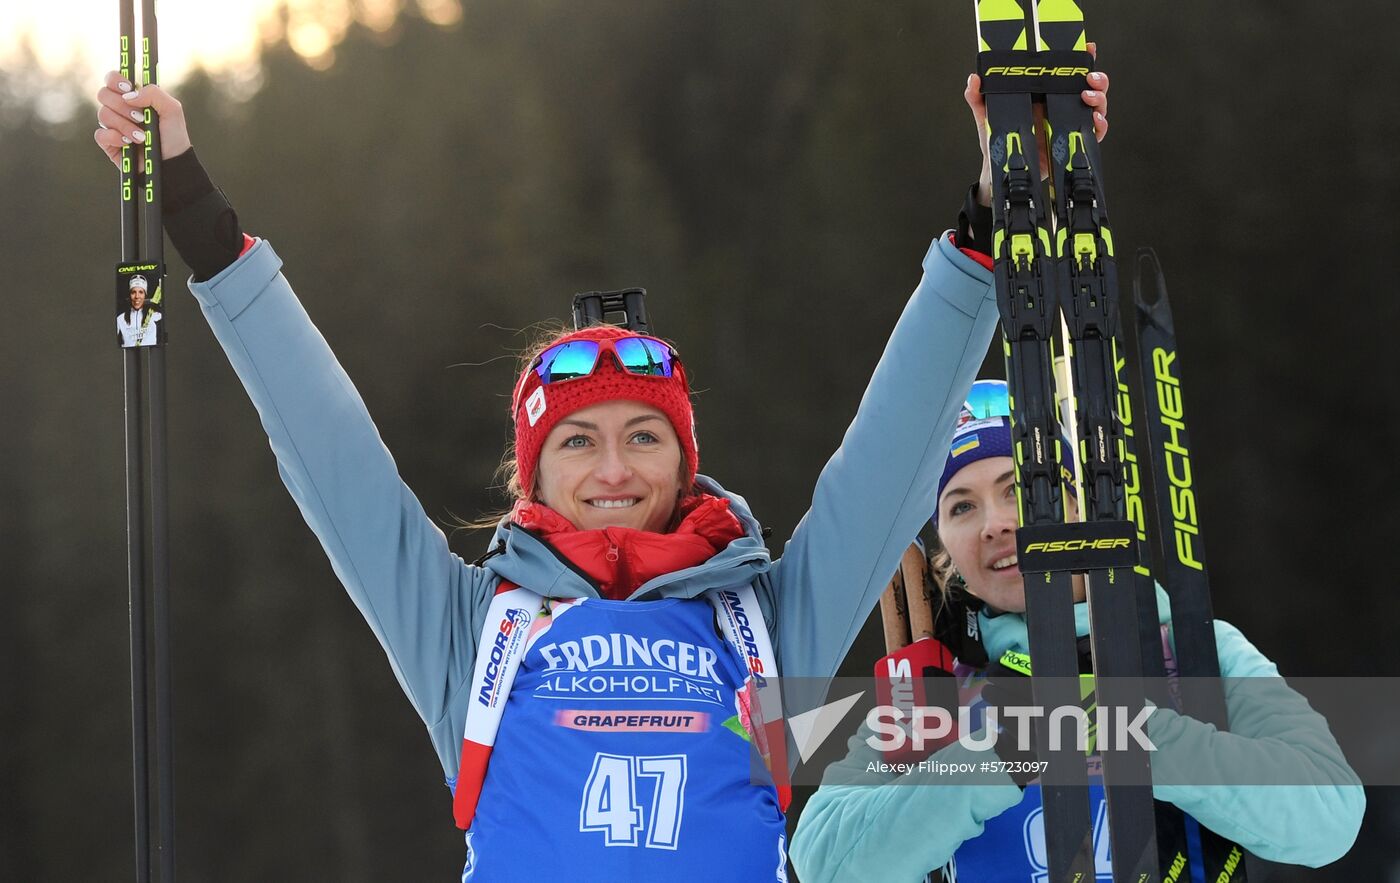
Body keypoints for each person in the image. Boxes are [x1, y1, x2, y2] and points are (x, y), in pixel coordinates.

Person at [90, 57, 1108, 880]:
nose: (613, 466)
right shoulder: (470, 631)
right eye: (578, 440)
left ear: (682, 461)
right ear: (533, 473)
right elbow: (330, 452)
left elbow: (891, 451)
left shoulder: (761, 619)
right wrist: (192, 206)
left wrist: (990, 217)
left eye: (643, 436)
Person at [788, 379, 1366, 882]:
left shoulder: (1188, 650)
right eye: (961, 507)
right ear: (944, 546)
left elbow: (1328, 816)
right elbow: (823, 864)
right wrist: (991, 754)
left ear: (1076, 503)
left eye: (1019, 490)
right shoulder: (932, 690)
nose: (996, 524)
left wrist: (1141, 736)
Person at [117, 274, 160, 347]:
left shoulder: (155, 314)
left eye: (141, 292)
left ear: (145, 295)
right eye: (133, 292)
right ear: (129, 295)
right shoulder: (120, 319)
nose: (137, 296)